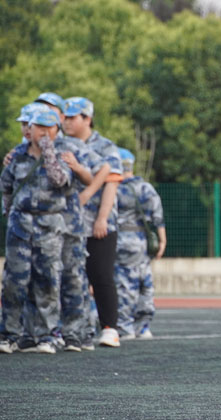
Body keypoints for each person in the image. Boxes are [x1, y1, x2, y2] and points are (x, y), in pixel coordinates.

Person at [0, 108, 72, 354]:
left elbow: (60, 180)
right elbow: (6, 187)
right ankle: (10, 334)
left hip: (49, 227)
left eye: (46, 128)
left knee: (47, 282)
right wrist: (8, 211)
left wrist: (48, 152)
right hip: (20, 226)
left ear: (55, 131)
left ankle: (46, 336)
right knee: (14, 282)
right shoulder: (17, 156)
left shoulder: (62, 156)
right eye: (35, 127)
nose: (39, 132)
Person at [63, 97, 124, 348]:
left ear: (87, 119)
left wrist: (102, 218)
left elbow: (112, 181)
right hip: (68, 222)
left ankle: (109, 327)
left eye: (72, 117)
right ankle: (74, 327)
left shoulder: (104, 146)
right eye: (64, 117)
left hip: (98, 222)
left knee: (100, 275)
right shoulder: (62, 144)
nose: (67, 122)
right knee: (70, 276)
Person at [114, 148, 166, 339]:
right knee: (145, 282)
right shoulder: (146, 188)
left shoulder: (115, 189)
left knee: (125, 283)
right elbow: (158, 217)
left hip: (121, 240)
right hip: (143, 241)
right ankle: (143, 326)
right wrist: (162, 240)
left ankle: (125, 325)